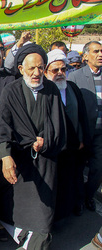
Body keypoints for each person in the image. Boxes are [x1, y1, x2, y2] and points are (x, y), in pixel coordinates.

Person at [0, 43, 66, 249]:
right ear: (21, 69)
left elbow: (59, 125)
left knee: (43, 215)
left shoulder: (51, 89)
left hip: (45, 161)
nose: (36, 73)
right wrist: (5, 156)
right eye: (31, 68)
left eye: (40, 68)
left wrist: (45, 141)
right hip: (20, 162)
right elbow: (2, 126)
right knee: (15, 208)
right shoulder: (11, 91)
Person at [44, 49, 90, 218]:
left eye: (63, 69)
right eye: (55, 70)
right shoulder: (43, 90)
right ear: (46, 71)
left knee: (72, 179)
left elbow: (82, 115)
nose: (60, 73)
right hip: (52, 149)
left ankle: (73, 206)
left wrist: (83, 138)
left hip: (73, 146)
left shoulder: (73, 88)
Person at [68, 41, 102, 212]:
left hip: (100, 133)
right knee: (78, 169)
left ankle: (89, 196)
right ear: (86, 56)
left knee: (97, 168)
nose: (100, 54)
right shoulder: (74, 77)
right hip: (81, 132)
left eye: (101, 51)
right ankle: (78, 200)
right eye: (96, 51)